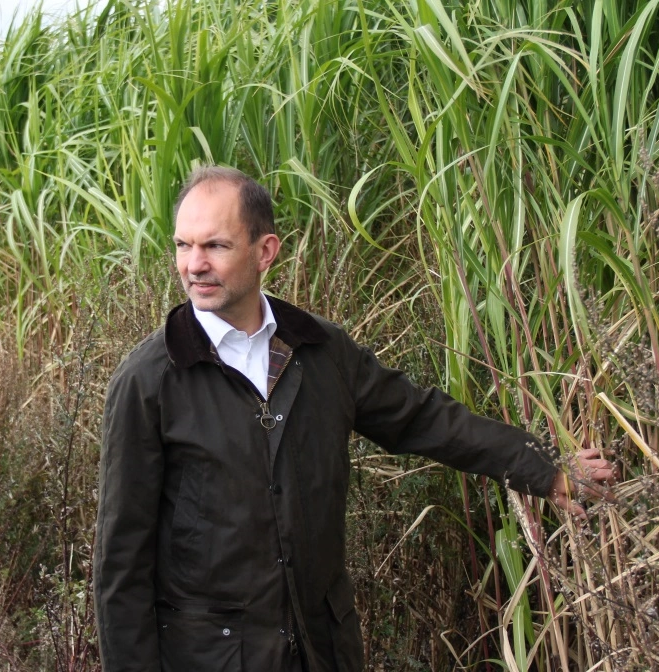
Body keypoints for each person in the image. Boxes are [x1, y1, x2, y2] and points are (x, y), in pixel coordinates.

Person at [93, 166, 616, 671]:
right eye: (184, 245)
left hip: (322, 649)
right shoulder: (150, 381)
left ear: (265, 251)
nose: (194, 264)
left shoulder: (319, 351)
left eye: (215, 246)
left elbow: (421, 417)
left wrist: (544, 469)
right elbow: (122, 565)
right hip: (210, 657)